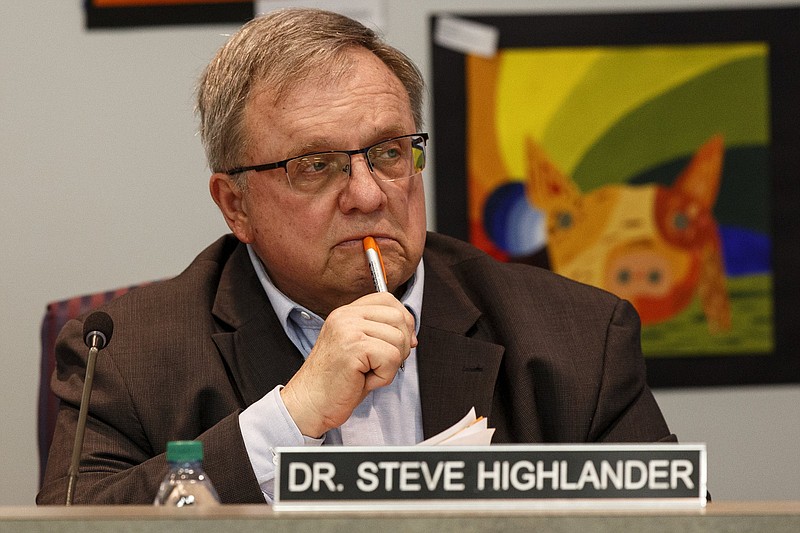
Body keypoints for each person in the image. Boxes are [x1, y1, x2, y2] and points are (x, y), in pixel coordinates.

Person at [37, 8, 674, 505]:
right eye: (315, 165)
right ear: (236, 205)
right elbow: (80, 522)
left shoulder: (577, 337)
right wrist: (290, 418)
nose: (368, 194)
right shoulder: (123, 354)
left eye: (391, 152)